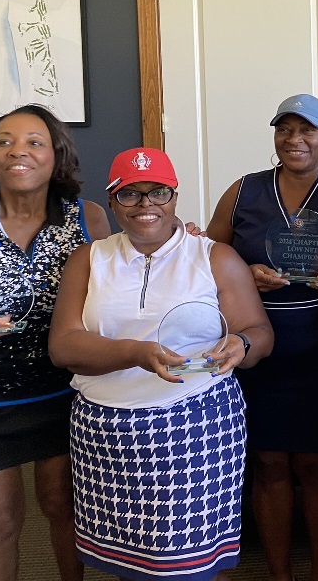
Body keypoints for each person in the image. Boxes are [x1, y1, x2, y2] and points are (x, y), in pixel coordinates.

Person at [48, 147, 273, 581]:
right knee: (130, 562)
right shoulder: (88, 259)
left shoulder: (213, 257)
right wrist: (137, 353)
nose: (145, 205)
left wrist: (241, 344)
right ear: (112, 201)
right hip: (107, 433)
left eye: (158, 192)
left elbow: (259, 331)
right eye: (130, 194)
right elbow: (64, 347)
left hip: (196, 424)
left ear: (175, 195)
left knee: (194, 561)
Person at [205, 94, 318, 581]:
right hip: (257, 349)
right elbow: (210, 254)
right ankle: (279, 574)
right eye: (286, 130)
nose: (295, 140)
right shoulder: (244, 191)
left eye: (308, 131)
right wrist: (243, 272)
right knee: (269, 464)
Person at [0, 104, 111, 581]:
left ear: (56, 157)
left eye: (34, 142)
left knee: (63, 508)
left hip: (63, 391)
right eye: (4, 141)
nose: (17, 150)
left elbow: (121, 293)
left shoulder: (88, 219)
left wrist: (183, 241)